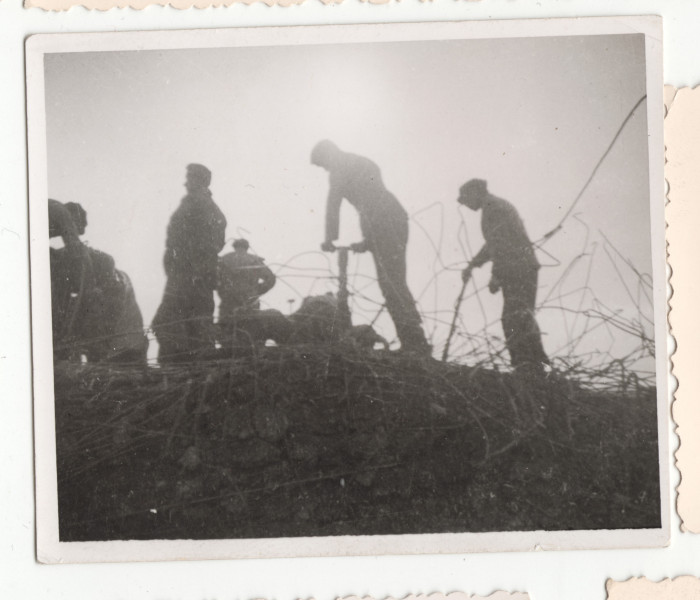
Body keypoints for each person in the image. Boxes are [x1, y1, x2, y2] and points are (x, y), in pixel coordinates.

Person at [311, 139, 430, 355]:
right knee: (394, 282)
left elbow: (334, 204)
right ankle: (414, 340)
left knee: (391, 284)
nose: (325, 169)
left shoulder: (339, 168)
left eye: (322, 164)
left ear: (328, 155)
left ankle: (415, 343)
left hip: (382, 223)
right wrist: (368, 241)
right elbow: (372, 198)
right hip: (392, 220)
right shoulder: (361, 161)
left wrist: (330, 238)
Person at [458, 178, 550, 369]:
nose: (465, 204)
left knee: (514, 317)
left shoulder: (494, 208)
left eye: (466, 199)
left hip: (518, 269)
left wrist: (496, 275)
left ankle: (527, 366)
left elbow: (501, 243)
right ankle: (535, 365)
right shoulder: (494, 206)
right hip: (521, 267)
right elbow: (493, 243)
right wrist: (473, 265)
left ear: (476, 193)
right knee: (521, 316)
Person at [152, 164, 227, 363]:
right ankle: (189, 370)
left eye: (190, 178)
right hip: (189, 276)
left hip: (188, 277)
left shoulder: (200, 205)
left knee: (171, 324)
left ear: (199, 180)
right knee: (190, 327)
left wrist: (190, 269)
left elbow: (209, 245)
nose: (185, 183)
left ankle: (181, 370)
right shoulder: (201, 204)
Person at [217, 239, 276, 316]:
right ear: (247, 247)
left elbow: (216, 280)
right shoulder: (255, 260)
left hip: (228, 303)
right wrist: (257, 291)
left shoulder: (224, 260)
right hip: (250, 302)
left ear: (234, 247)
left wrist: (223, 293)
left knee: (226, 326)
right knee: (250, 325)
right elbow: (271, 279)